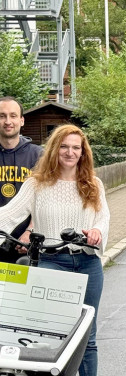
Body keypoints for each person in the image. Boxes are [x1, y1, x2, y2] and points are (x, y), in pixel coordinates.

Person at [0, 124, 109, 376]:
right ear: (54, 149)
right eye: (64, 147)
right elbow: (9, 214)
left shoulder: (93, 184)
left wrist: (97, 232)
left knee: (89, 333)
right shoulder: (37, 184)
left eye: (76, 147)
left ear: (83, 152)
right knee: (43, 332)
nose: (70, 152)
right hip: (51, 262)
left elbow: (103, 219)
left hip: (87, 263)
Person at [0, 97, 43, 263]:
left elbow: (43, 198)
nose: (8, 121)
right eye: (2, 116)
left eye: (13, 115)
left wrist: (31, 231)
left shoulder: (38, 155)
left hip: (25, 244)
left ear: (22, 120)